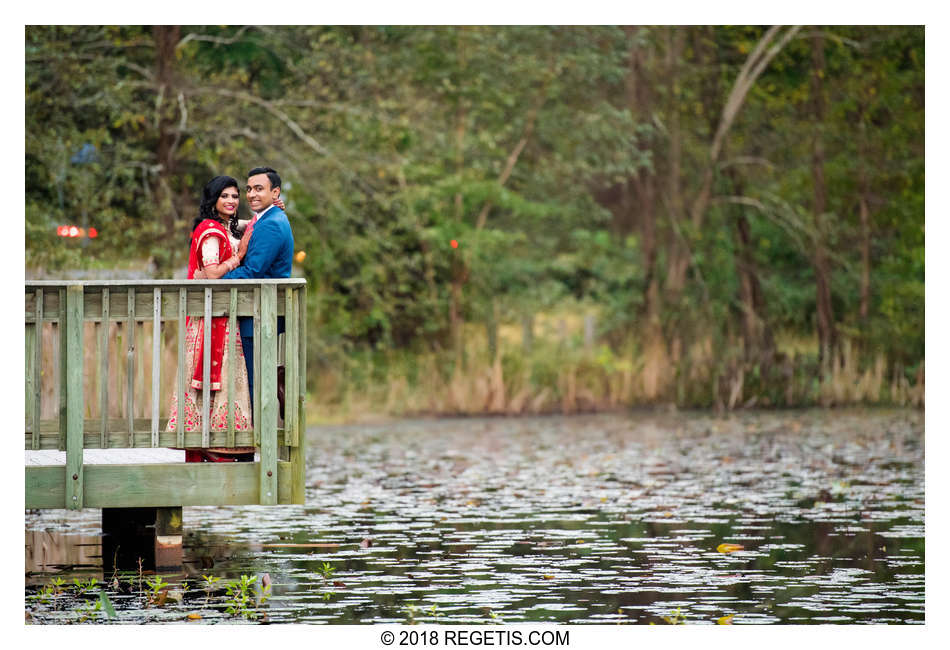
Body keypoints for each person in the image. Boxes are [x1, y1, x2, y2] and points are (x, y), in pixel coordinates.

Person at [167, 175, 254, 461]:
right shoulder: (210, 231)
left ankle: (217, 444)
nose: (231, 201)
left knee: (220, 378)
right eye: (225, 196)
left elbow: (246, 226)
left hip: (218, 316)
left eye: (235, 196)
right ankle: (210, 445)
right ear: (213, 200)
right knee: (209, 378)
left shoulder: (222, 227)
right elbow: (214, 272)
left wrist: (269, 212)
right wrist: (238, 258)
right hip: (210, 319)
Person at [198, 167, 294, 416]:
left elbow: (252, 271)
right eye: (249, 189)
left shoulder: (271, 224)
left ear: (275, 192)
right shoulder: (263, 220)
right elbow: (235, 227)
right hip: (254, 311)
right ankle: (248, 445)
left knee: (253, 384)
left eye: (258, 189)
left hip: (259, 313)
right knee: (251, 380)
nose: (251, 194)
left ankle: (251, 446)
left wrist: (215, 279)